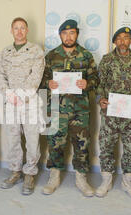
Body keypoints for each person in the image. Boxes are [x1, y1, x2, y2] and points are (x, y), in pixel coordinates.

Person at [40, 19, 99, 197]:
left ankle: (81, 178)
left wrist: (87, 83)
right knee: (55, 143)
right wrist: (48, 83)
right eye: (65, 33)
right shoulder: (51, 56)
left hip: (79, 110)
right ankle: (54, 176)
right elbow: (41, 80)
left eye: (72, 33)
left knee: (82, 144)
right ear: (60, 36)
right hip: (57, 108)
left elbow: (96, 79)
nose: (68, 36)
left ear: (77, 34)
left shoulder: (86, 56)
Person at [95, 27, 131, 199]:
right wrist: (100, 98)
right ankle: (106, 180)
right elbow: (100, 84)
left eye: (126, 37)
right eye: (119, 38)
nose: (122, 41)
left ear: (130, 40)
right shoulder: (107, 60)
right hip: (110, 113)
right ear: (114, 41)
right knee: (106, 146)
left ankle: (127, 182)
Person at [0, 17, 45, 195]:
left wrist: (21, 96)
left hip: (29, 102)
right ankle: (16, 171)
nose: (19, 31)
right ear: (11, 30)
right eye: (16, 28)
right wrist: (9, 94)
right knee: (13, 139)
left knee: (32, 140)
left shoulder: (36, 51)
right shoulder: (4, 52)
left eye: (22, 28)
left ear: (27, 30)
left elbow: (36, 76)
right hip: (10, 103)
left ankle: (30, 173)